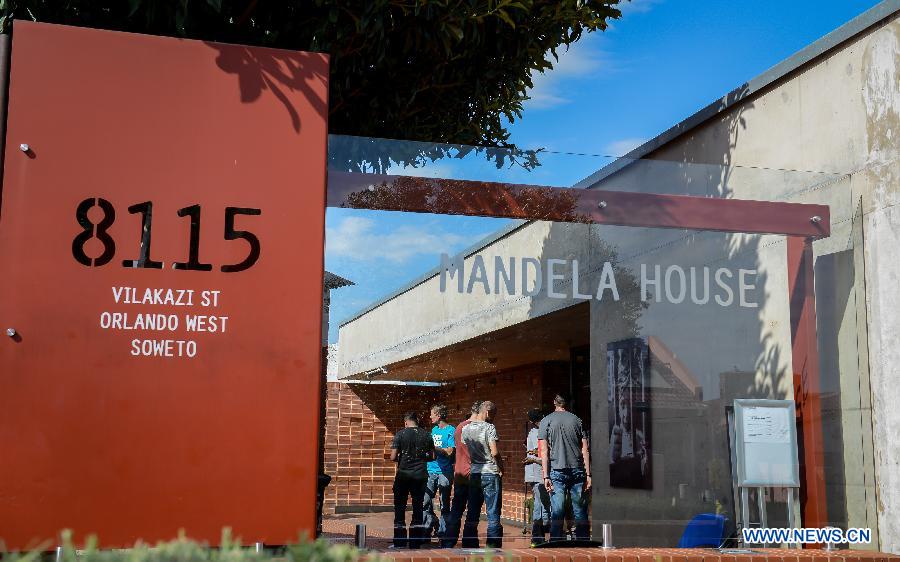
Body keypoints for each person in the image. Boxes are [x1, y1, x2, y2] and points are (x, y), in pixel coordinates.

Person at [539, 394, 591, 541]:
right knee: (580, 509)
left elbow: (544, 451)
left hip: (556, 470)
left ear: (554, 403)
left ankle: (555, 542)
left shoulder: (546, 421)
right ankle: (584, 542)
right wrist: (588, 474)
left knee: (557, 510)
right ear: (566, 404)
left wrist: (545, 475)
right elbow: (585, 450)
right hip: (577, 470)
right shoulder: (577, 420)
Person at [462, 400, 504, 548]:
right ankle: (493, 545)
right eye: (493, 414)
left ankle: (468, 542)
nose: (493, 417)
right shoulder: (489, 427)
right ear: (487, 412)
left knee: (472, 509)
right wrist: (501, 467)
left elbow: (469, 450)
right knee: (493, 511)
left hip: (475, 472)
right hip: (490, 472)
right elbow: (495, 452)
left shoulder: (465, 429)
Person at [390, 411, 435, 549]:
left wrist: (402, 458)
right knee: (418, 507)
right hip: (420, 475)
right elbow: (433, 456)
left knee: (400, 507)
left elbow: (393, 457)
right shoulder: (427, 435)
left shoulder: (400, 434)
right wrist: (422, 458)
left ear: (406, 422)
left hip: (403, 475)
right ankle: (415, 541)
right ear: (417, 421)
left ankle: (399, 541)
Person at [441, 400, 481, 548]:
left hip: (460, 473)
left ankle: (448, 541)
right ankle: (469, 541)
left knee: (456, 509)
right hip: (473, 474)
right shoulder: (476, 428)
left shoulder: (459, 427)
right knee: (473, 510)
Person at [424, 404, 455, 541]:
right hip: (430, 470)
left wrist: (434, 449)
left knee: (444, 503)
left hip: (444, 472)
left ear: (439, 415)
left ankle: (443, 532)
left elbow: (449, 451)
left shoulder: (450, 430)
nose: (430, 416)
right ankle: (428, 527)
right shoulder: (434, 430)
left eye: (432, 414)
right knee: (425, 501)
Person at [525, 408, 550, 546]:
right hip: (537, 472)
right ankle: (537, 536)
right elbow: (540, 454)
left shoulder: (533, 431)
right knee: (540, 505)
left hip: (536, 472)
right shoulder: (537, 432)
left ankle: (539, 535)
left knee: (542, 504)